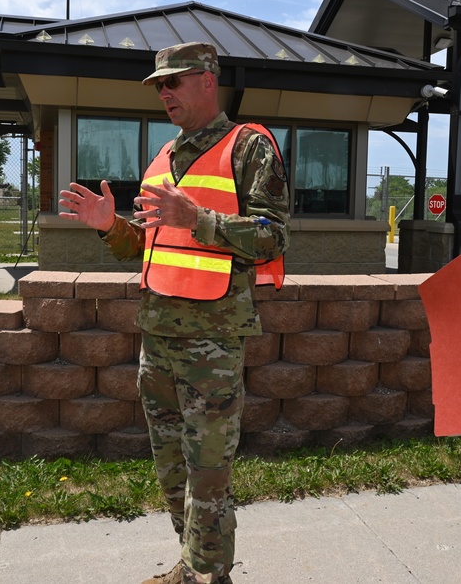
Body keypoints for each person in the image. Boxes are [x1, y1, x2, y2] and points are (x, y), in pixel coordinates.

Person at [59, 42, 290, 584]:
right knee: (171, 470)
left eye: (174, 82)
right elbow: (148, 245)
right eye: (159, 86)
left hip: (211, 343)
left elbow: (273, 237)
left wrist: (198, 217)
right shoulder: (164, 157)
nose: (164, 93)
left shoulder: (249, 146)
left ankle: (207, 577)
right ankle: (194, 568)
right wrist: (108, 226)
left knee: (208, 474)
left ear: (208, 80)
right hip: (157, 338)